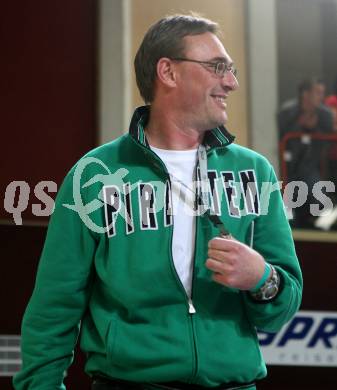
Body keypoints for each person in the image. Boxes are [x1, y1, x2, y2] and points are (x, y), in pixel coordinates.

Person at [13, 14, 302, 390]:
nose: (231, 82)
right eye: (218, 68)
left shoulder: (254, 172)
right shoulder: (94, 175)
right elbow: (54, 307)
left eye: (230, 70)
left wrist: (262, 279)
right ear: (168, 72)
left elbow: (282, 308)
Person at [277, 78, 334, 228]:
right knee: (288, 212)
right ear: (305, 94)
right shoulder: (287, 112)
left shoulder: (325, 115)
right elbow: (279, 135)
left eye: (322, 93)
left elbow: (330, 136)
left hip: (310, 167)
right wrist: (299, 125)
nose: (321, 97)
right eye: (317, 92)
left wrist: (315, 129)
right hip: (286, 168)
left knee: (321, 202)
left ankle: (323, 238)